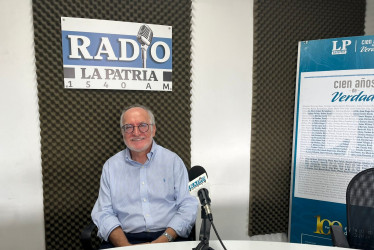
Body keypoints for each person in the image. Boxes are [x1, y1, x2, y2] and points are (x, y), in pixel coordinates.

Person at [91, 104, 198, 248]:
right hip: (125, 239)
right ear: (122, 132)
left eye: (143, 125)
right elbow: (103, 213)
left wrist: (163, 241)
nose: (136, 132)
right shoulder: (111, 167)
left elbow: (188, 205)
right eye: (128, 127)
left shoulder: (173, 161)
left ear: (153, 129)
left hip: (168, 237)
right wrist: (127, 247)